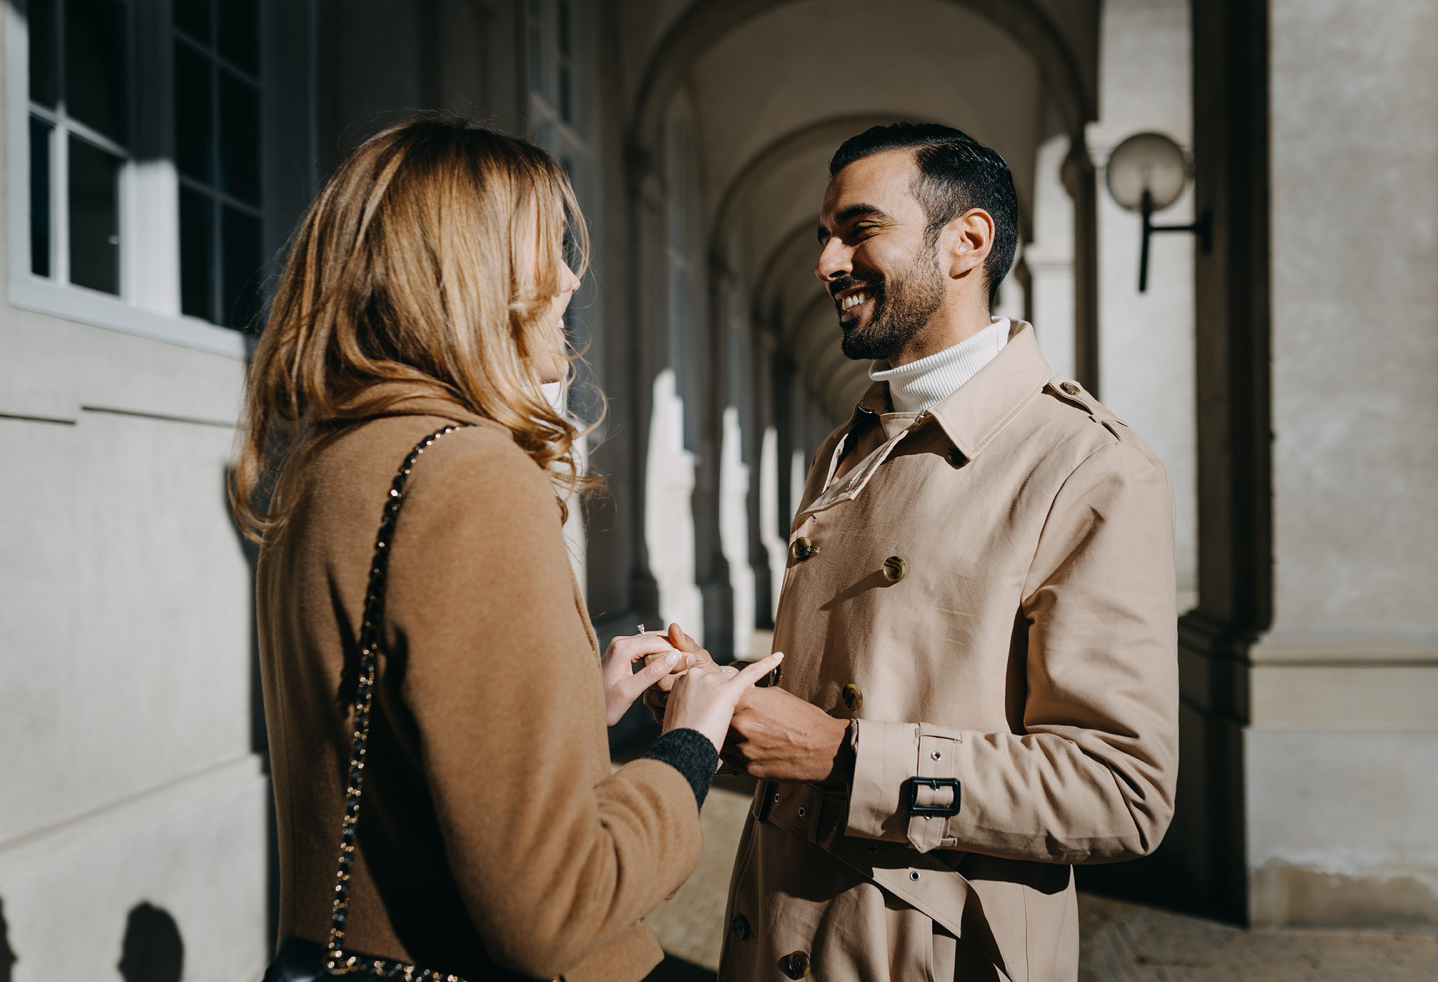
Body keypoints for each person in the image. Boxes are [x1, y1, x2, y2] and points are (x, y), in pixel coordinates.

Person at [230, 117, 780, 982]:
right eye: (548, 250)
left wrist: (569, 711)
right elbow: (553, 910)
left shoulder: (331, 457)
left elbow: (384, 742)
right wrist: (689, 746)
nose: (570, 279)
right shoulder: (467, 475)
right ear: (465, 273)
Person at [655, 122, 1179, 981]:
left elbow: (1122, 790)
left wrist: (843, 757)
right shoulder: (847, 445)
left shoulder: (1087, 466)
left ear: (967, 241)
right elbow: (865, 675)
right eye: (826, 235)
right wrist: (724, 703)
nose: (826, 261)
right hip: (781, 930)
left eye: (858, 230)